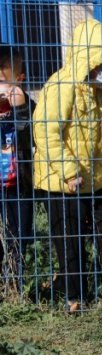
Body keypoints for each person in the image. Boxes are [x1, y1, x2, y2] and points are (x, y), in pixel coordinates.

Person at [33, 19, 102, 307]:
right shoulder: (61, 86)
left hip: (96, 181)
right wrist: (69, 172)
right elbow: (45, 131)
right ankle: (75, 298)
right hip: (61, 183)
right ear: (88, 58)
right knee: (70, 243)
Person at [0, 44, 35, 289]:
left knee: (19, 237)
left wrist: (20, 109)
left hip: (18, 185)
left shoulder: (27, 106)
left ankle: (15, 285)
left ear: (19, 80)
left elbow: (30, 138)